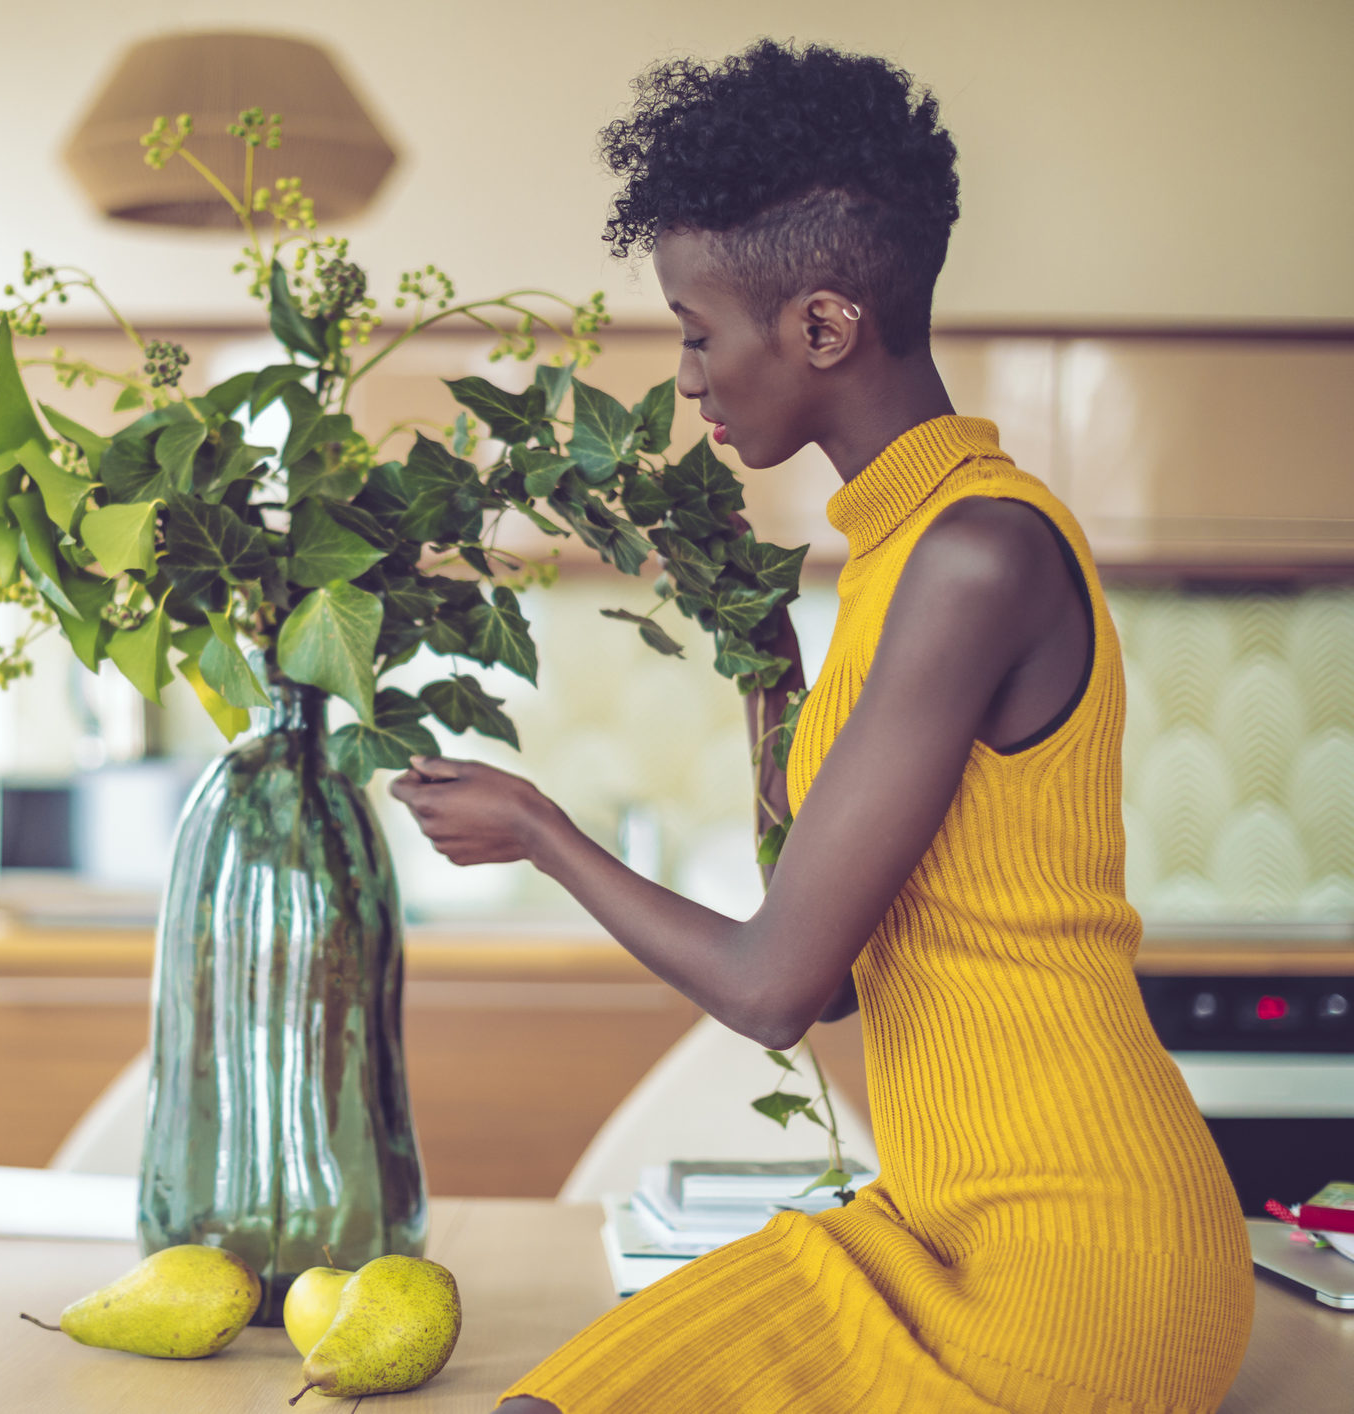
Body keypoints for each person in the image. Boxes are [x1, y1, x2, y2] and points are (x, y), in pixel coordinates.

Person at [389, 39, 1253, 1414]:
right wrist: (772, 694)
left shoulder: (976, 553)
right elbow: (850, 976)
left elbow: (778, 986)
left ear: (825, 327)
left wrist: (543, 833)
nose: (685, 376)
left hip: (1078, 1263)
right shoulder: (897, 557)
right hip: (931, 1232)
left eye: (695, 327)